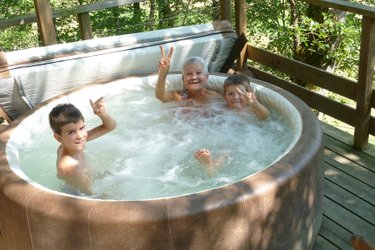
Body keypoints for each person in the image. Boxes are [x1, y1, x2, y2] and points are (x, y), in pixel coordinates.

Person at [195, 74, 269, 176]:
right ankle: (210, 167)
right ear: (225, 96)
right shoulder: (222, 107)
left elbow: (264, 116)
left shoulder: (251, 109)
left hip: (243, 136)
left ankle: (211, 168)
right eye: (231, 94)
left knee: (225, 152)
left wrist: (254, 103)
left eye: (240, 93)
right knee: (217, 146)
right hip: (223, 132)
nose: (236, 97)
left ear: (249, 94)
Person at [49, 97, 116, 194]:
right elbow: (90, 196)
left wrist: (102, 114)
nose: (80, 136)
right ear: (59, 138)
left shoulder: (70, 143)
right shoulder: (72, 167)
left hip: (81, 181)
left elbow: (110, 127)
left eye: (81, 128)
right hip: (75, 194)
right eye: (71, 132)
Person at [155, 45, 220, 104]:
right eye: (189, 74)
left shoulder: (215, 97)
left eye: (198, 73)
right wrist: (163, 74)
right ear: (183, 79)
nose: (194, 77)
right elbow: (160, 97)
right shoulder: (177, 96)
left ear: (206, 77)